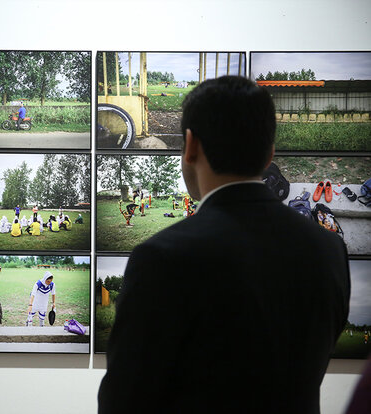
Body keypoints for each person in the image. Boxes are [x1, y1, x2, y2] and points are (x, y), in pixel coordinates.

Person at [98, 76, 350, 414]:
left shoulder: (160, 258)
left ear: (189, 146)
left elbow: (124, 401)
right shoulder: (329, 250)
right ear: (269, 154)